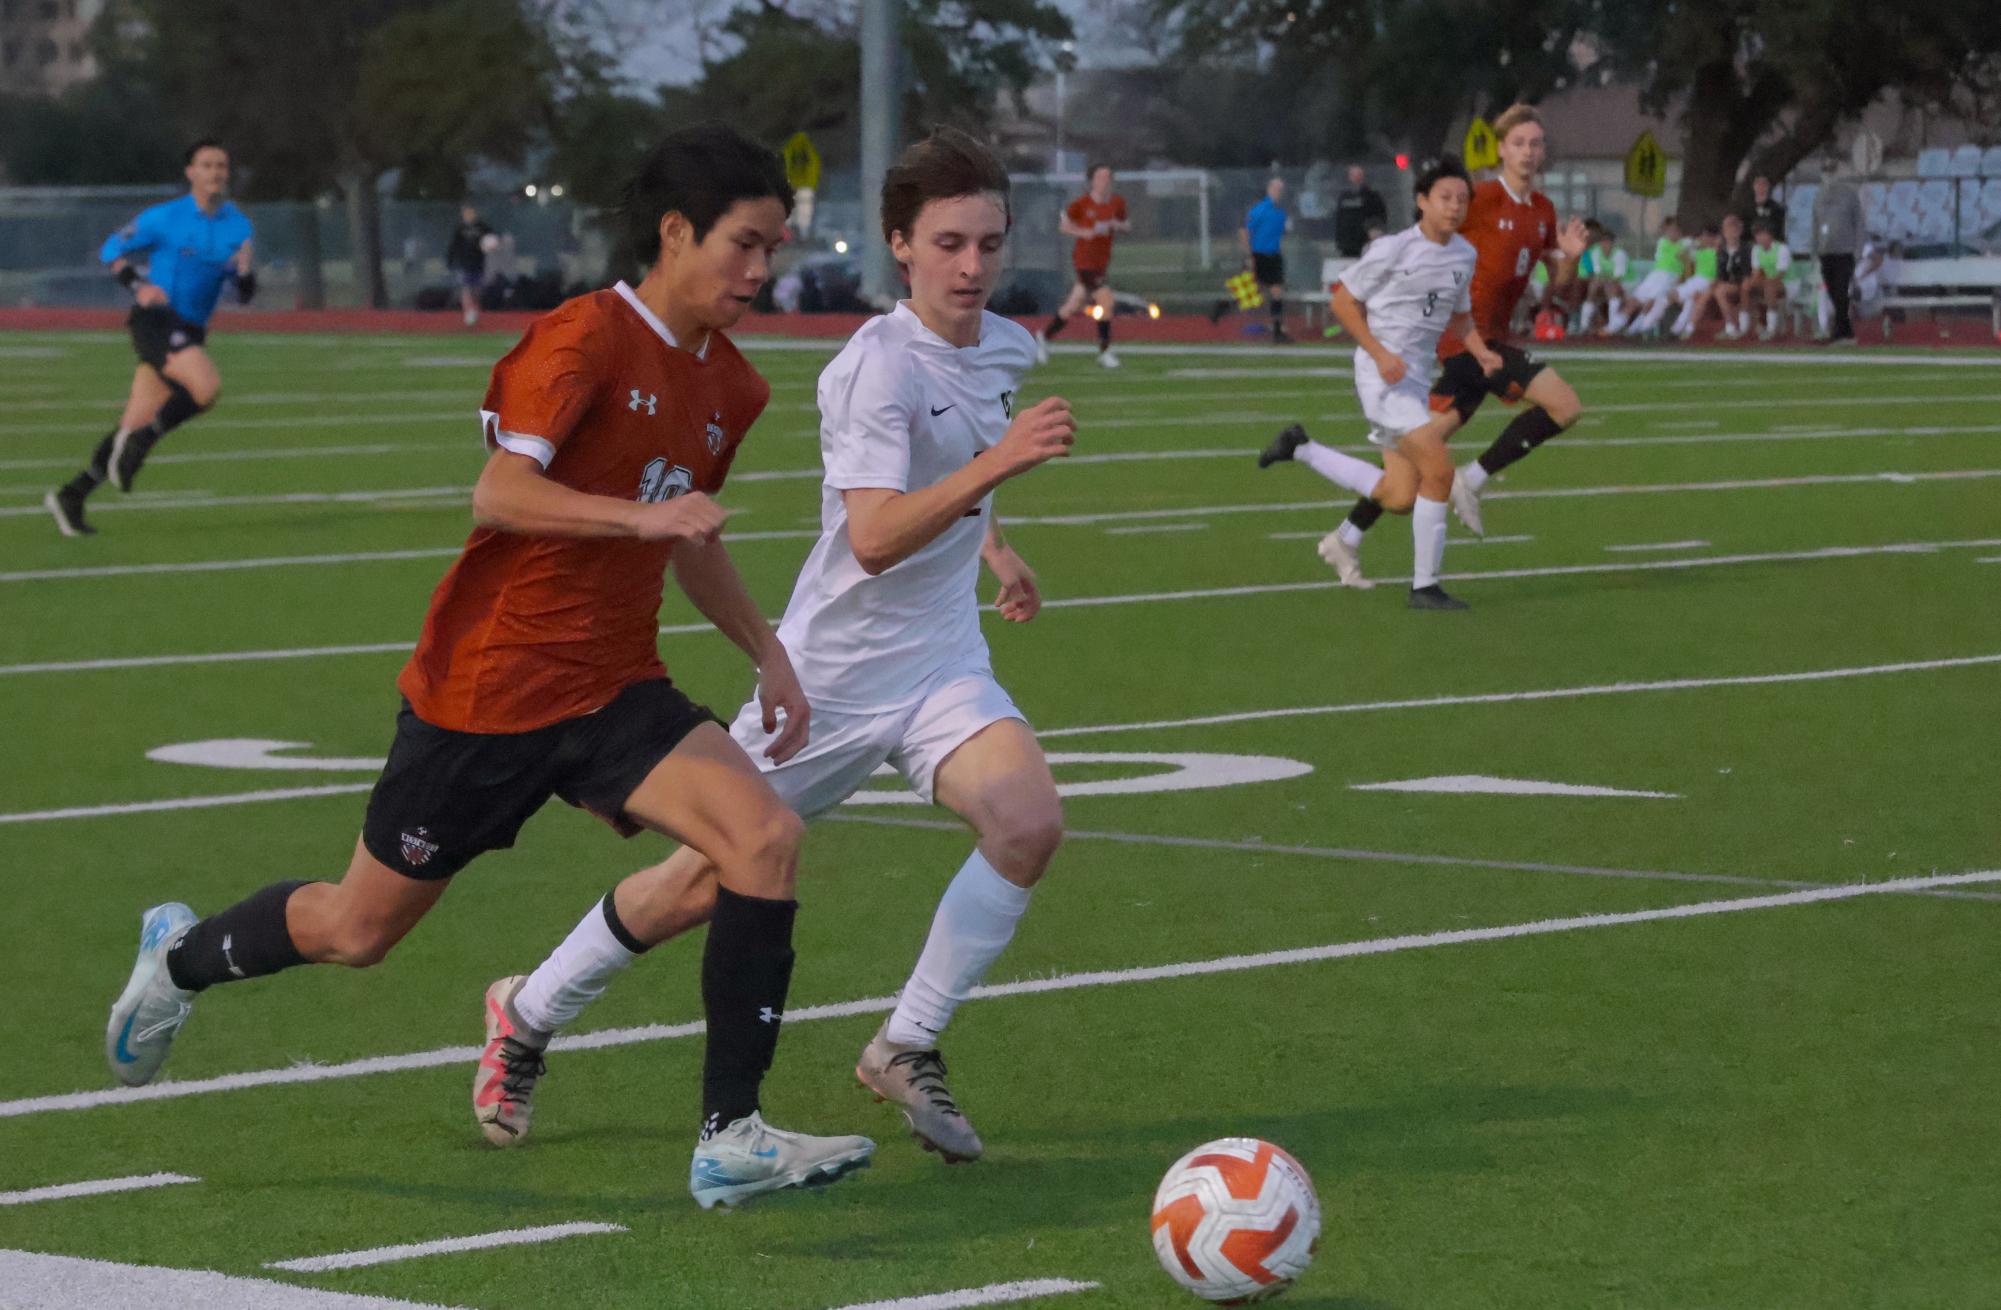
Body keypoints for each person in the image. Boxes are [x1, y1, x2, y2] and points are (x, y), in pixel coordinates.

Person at [100, 123, 875, 1212]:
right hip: (487, 692)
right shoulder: (586, 337)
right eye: (743, 246)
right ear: (675, 232)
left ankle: (731, 1133)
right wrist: (640, 519)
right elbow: (502, 495)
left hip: (612, 686)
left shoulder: (733, 388)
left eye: (772, 251)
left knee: (764, 837)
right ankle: (179, 956)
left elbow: (689, 535)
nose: (759, 272)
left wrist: (770, 652)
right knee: (355, 929)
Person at [475, 127, 1076, 1168]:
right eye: (948, 244)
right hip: (835, 674)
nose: (973, 266)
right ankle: (526, 1011)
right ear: (900, 245)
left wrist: (997, 546)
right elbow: (878, 535)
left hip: (941, 660)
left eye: (989, 242)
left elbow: (959, 472)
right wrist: (997, 475)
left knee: (1026, 822)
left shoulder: (1009, 347)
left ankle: (906, 1043)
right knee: (701, 881)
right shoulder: (870, 370)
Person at [1300, 104, 1587, 586]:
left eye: (1536, 144)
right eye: (1519, 143)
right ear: (1500, 150)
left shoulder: (1542, 210)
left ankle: (1346, 534)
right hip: (1463, 341)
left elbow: (1556, 282)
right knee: (1565, 404)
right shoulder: (1482, 199)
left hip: (1488, 343)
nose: (1529, 152)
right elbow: (1431, 226)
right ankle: (1470, 481)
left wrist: (1572, 260)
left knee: (1408, 478)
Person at [1254, 155, 1498, 610]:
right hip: (1381, 377)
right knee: (1441, 471)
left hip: (1414, 381)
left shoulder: (1464, 254)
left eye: (1463, 199)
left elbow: (1460, 317)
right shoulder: (1393, 249)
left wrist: (1482, 352)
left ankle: (1300, 448)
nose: (1455, 207)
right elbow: (1344, 303)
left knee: (1400, 495)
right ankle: (1424, 588)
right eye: (1445, 197)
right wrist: (1380, 353)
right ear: (1422, 201)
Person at [44, 139, 254, 538]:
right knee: (206, 388)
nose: (215, 172)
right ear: (190, 172)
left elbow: (243, 293)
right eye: (206, 165)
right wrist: (138, 285)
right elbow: (110, 248)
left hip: (190, 329)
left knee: (132, 423)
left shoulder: (237, 226)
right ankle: (142, 443)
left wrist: (244, 273)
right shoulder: (165, 218)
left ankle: (72, 495)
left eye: (221, 166)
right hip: (156, 321)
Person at [1036, 163, 1130, 369]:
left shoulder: (1117, 203)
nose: (1104, 182)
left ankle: (1044, 337)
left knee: (1073, 306)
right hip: (1084, 262)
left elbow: (1127, 225)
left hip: (1101, 263)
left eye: (1107, 178)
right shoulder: (1082, 204)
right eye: (1100, 178)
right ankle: (1105, 352)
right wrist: (1083, 232)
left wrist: (1117, 225)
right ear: (1092, 181)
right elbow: (1064, 225)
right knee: (1106, 300)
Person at [1211, 178, 1292, 341]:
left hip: (1273, 256)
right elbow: (1244, 231)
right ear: (1269, 190)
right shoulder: (1260, 209)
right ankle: (1221, 308)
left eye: (1281, 190)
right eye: (1276, 189)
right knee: (1247, 293)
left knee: (1277, 292)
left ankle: (1277, 332)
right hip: (1258, 256)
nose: (1278, 193)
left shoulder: (1281, 212)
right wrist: (1249, 255)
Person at [1606, 214, 1689, 336]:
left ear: (1680, 232)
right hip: (1656, 276)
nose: (1671, 233)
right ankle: (1612, 328)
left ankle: (1634, 330)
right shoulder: (1663, 242)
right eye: (1669, 230)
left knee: (1651, 301)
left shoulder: (1686, 244)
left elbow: (1685, 258)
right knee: (1634, 301)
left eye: (1674, 230)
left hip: (1671, 277)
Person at [1813, 155, 1864, 344]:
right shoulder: (1818, 195)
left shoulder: (1849, 194)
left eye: (1831, 170)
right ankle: (1846, 332)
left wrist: (1857, 249)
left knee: (1842, 290)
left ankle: (1839, 331)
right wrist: (1815, 250)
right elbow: (1815, 224)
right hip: (1826, 251)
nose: (1829, 175)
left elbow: (1859, 222)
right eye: (1826, 171)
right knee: (1833, 292)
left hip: (1845, 250)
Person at [1743, 219, 1795, 339]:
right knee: (1746, 286)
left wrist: (1765, 283)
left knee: (1770, 287)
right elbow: (1756, 273)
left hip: (1789, 283)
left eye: (1762, 234)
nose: (1759, 237)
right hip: (1769, 282)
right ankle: (1744, 327)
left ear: (1770, 234)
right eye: (1757, 235)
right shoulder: (1756, 250)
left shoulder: (1782, 248)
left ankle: (1771, 329)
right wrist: (1749, 283)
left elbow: (1781, 274)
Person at [1574, 221, 1630, 334]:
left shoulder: (1620, 254)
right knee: (1593, 288)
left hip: (1628, 283)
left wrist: (1604, 281)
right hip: (1607, 281)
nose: (1605, 245)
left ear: (1613, 243)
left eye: (1608, 242)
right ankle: (1584, 325)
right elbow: (1597, 273)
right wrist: (1601, 281)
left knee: (1611, 288)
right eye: (1603, 242)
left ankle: (1612, 326)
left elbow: (1618, 278)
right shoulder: (1596, 252)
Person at [1669, 223, 1722, 339]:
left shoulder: (1717, 252)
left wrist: (1717, 243)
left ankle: (1678, 330)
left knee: (1684, 299)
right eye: (1702, 236)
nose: (1703, 239)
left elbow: (1719, 270)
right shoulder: (1699, 251)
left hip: (1706, 281)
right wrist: (1693, 244)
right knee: (1689, 302)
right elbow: (1680, 255)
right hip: (1695, 280)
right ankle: (1678, 330)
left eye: (1706, 236)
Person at [446, 205, 495, 326]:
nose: (468, 215)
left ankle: (475, 310)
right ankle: (468, 312)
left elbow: (492, 239)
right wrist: (450, 260)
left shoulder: (482, 227)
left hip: (479, 263)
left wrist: (491, 245)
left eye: (471, 213)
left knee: (477, 290)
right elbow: (453, 246)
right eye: (466, 213)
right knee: (466, 287)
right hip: (464, 263)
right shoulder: (460, 229)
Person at [1711, 213, 1754, 339]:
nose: (1732, 232)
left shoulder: (1747, 248)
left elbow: (1747, 270)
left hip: (1742, 282)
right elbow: (1720, 272)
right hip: (1728, 283)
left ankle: (1736, 326)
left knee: (1723, 291)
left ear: (1740, 230)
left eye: (1735, 228)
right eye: (1729, 229)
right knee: (1717, 290)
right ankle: (1731, 326)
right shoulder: (1721, 250)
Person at [1333, 164, 1389, 258]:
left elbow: (1380, 217)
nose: (1356, 178)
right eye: (1353, 175)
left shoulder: (1373, 196)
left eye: (1359, 175)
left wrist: (1375, 233)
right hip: (1347, 244)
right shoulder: (1344, 197)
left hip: (1367, 243)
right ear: (1349, 177)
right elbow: (1339, 219)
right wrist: (1340, 241)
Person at [1748, 175, 1786, 244]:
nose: (1761, 187)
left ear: (1768, 187)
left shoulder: (1777, 209)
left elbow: (1779, 230)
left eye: (1764, 184)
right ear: (1753, 186)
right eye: (1758, 184)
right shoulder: (1747, 208)